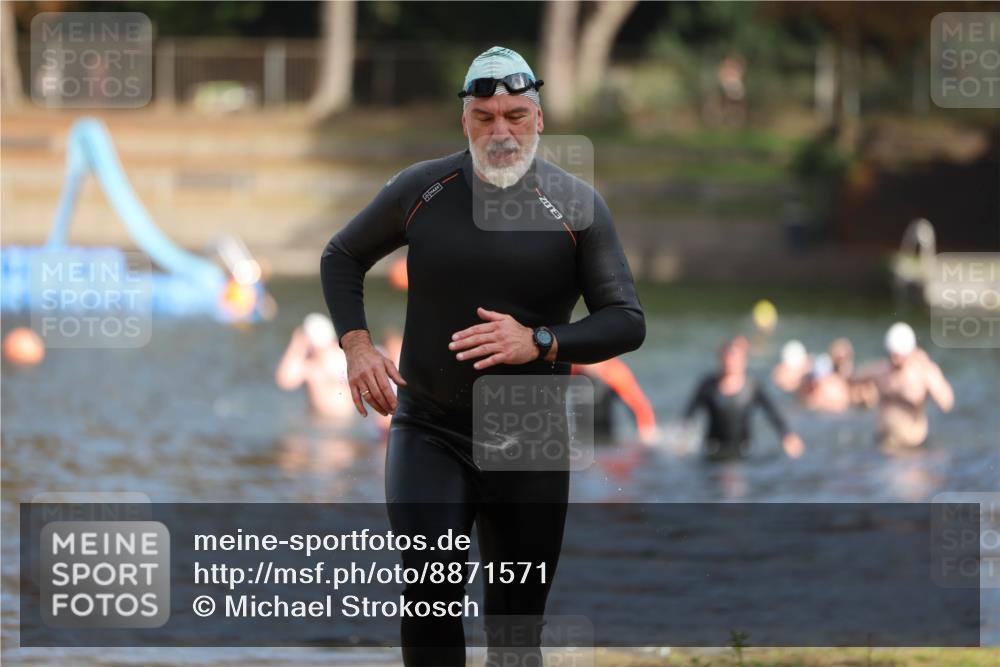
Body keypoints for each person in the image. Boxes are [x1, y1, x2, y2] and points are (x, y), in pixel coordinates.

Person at [320, 46, 645, 667]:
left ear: (539, 119)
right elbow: (342, 256)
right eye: (485, 117)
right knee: (430, 597)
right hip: (430, 430)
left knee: (515, 632)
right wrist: (356, 345)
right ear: (464, 120)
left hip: (531, 437)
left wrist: (540, 341)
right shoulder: (423, 190)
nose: (501, 132)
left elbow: (626, 321)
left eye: (516, 116)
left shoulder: (577, 206)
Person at [683, 336, 804, 461]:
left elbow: (772, 413)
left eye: (735, 358)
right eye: (728, 358)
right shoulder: (708, 386)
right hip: (713, 450)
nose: (731, 362)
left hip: (744, 451)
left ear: (743, 361)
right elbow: (689, 413)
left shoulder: (752, 386)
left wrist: (787, 435)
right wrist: (683, 439)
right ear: (721, 359)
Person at [853, 322, 953, 451]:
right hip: (882, 443)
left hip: (912, 449)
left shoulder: (923, 373)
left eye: (898, 356)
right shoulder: (881, 370)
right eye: (892, 355)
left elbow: (946, 403)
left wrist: (928, 371)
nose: (895, 360)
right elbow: (852, 379)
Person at [275, 313, 356, 422]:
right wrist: (297, 347)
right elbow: (284, 381)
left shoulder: (338, 357)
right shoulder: (309, 365)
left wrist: (296, 347)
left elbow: (284, 381)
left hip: (339, 421)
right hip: (320, 420)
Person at [571, 358, 658, 445]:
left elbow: (639, 406)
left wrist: (646, 435)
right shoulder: (573, 368)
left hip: (605, 435)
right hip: (581, 435)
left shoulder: (614, 372)